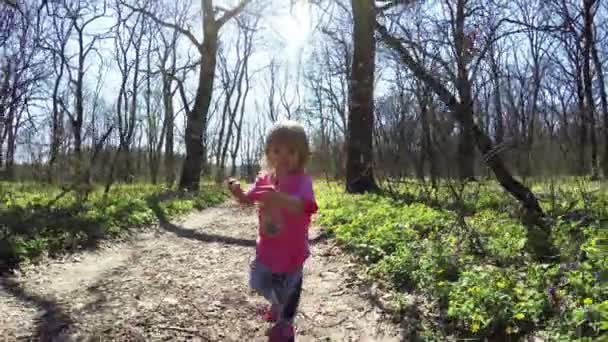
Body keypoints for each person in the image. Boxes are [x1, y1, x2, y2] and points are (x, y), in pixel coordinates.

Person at [227, 120, 318, 342]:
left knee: (291, 288)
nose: (283, 156)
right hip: (267, 246)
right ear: (269, 153)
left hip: (293, 250)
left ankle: (286, 323)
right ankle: (277, 304)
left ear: (302, 155)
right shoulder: (264, 180)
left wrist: (278, 197)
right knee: (258, 281)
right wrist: (237, 192)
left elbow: (306, 206)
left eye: (291, 151)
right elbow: (249, 199)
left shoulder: (302, 181)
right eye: (277, 151)